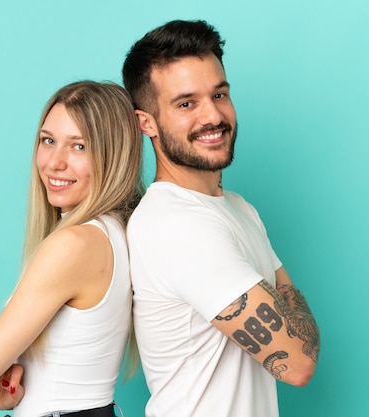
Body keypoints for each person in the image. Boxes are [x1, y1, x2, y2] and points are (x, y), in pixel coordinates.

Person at [122, 20, 320, 416]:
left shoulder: (238, 207)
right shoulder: (178, 225)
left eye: (220, 94)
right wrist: (286, 308)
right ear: (147, 123)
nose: (213, 116)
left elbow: (294, 337)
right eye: (186, 103)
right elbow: (297, 360)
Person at [0, 80, 144, 417]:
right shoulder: (121, 231)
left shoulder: (75, 245)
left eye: (79, 146)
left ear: (114, 156)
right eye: (48, 140)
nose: (55, 162)